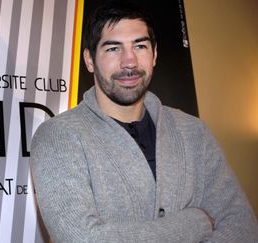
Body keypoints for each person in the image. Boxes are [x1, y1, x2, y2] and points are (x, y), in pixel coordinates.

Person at [29, 1, 258, 242]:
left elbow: (243, 226)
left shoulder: (193, 131)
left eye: (140, 46)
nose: (130, 62)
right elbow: (82, 239)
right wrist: (195, 223)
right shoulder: (58, 137)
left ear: (155, 54)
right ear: (89, 60)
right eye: (113, 48)